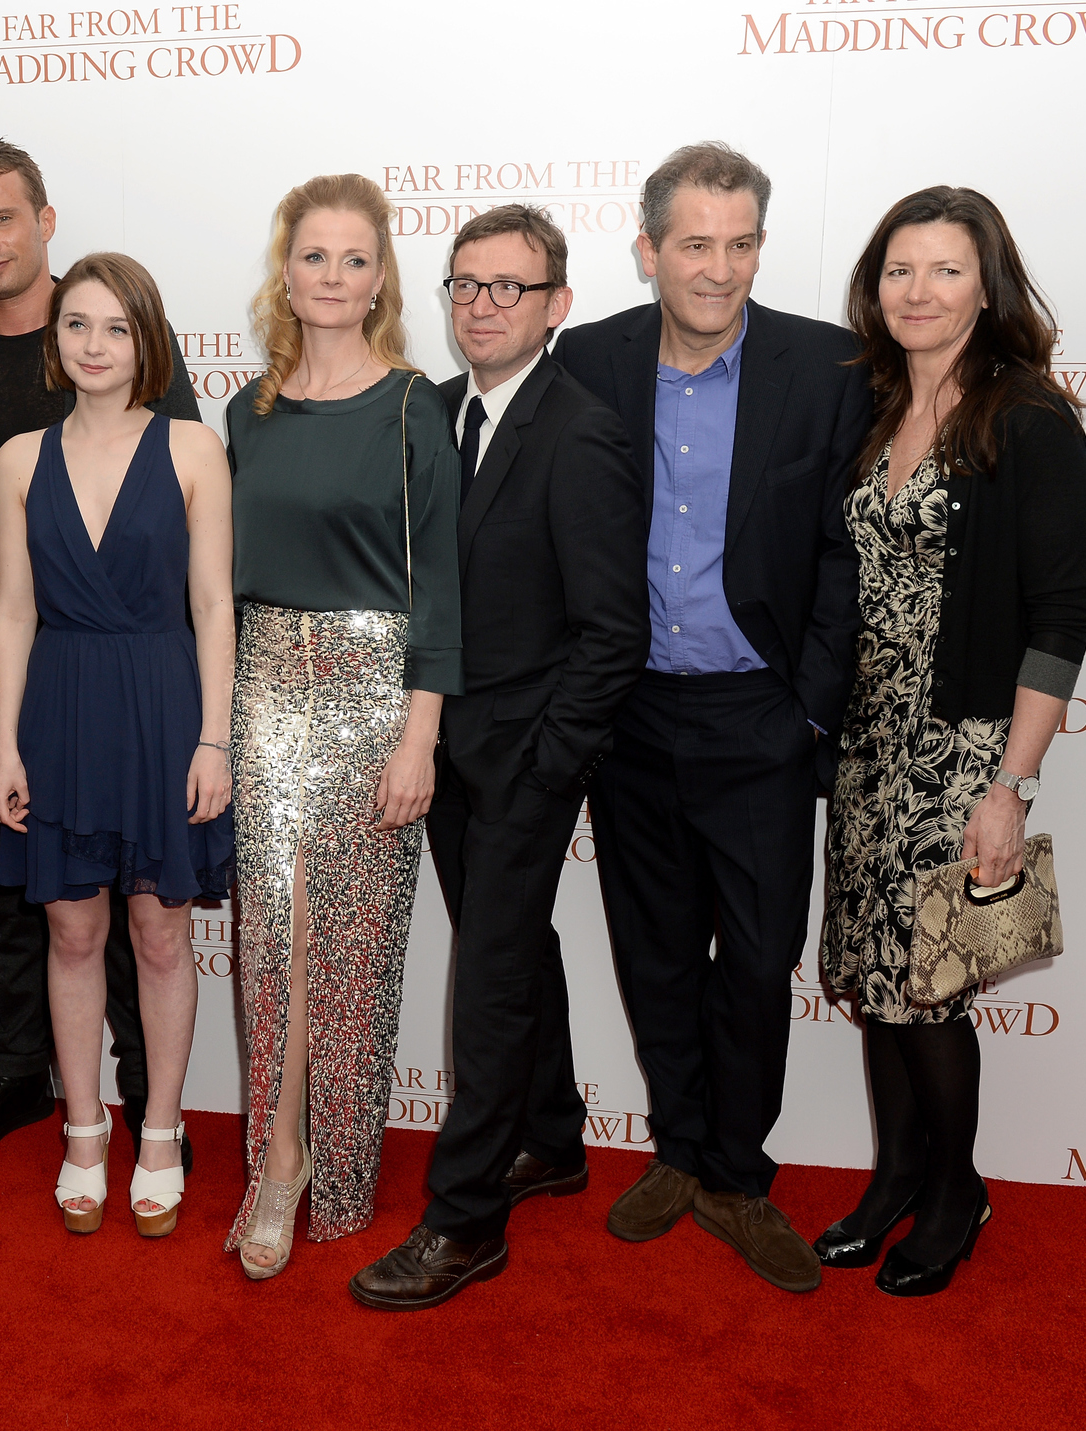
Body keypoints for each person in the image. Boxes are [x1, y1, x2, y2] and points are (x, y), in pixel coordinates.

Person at [553, 142, 871, 1293]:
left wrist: (806, 713)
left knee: (755, 958)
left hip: (758, 717)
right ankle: (680, 1155)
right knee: (652, 950)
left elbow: (841, 556)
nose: (719, 269)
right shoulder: (584, 361)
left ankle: (737, 1175)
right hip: (629, 712)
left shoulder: (824, 366)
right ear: (647, 251)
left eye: (740, 245)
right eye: (695, 245)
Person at [351, 206, 650, 1308]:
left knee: (483, 981)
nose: (481, 305)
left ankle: (465, 1219)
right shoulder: (429, 413)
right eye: (464, 285)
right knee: (508, 947)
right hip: (440, 748)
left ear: (555, 305)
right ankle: (553, 1140)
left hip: (527, 758)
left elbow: (614, 630)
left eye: (508, 288)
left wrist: (547, 764)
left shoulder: (580, 431)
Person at [816, 187, 1086, 1297]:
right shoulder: (871, 406)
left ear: (986, 285)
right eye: (897, 270)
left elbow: (1059, 614)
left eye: (942, 271)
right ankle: (893, 1177)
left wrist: (1008, 787)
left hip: (961, 743)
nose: (916, 292)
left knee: (928, 982)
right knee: (874, 974)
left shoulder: (1023, 416)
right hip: (865, 739)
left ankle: (952, 1192)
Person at [0, 140, 202, 1163]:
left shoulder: (159, 394)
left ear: (43, 219)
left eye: (3, 218)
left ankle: (141, 1103)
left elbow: (188, 561)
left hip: (123, 678)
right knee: (9, 891)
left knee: (133, 904)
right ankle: (19, 1082)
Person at [223, 174, 461, 1280]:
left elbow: (440, 591)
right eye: (312, 256)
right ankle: (277, 1162)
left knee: (352, 948)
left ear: (379, 280)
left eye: (352, 259)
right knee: (273, 937)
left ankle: (341, 1161)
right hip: (264, 693)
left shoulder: (416, 407)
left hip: (375, 699)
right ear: (287, 272)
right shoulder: (245, 412)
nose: (331, 277)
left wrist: (419, 737)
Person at [0, 253, 234, 1236]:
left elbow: (213, 605)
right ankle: (84, 1130)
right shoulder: (15, 458)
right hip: (60, 707)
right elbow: (11, 612)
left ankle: (161, 1132)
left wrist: (213, 738)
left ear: (147, 340)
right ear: (55, 341)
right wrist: (6, 744)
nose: (93, 346)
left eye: (114, 328)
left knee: (160, 933)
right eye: (76, 326)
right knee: (71, 931)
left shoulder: (190, 450)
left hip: (163, 708)